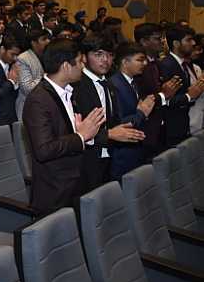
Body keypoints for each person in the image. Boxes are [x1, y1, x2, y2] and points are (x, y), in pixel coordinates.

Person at [22, 38, 105, 215]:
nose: (83, 66)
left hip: (75, 182)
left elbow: (67, 135)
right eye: (80, 62)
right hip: (56, 191)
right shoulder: (38, 100)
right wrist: (80, 136)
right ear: (66, 66)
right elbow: (44, 150)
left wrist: (85, 134)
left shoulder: (68, 91)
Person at [72, 34, 145, 193]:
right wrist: (109, 134)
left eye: (110, 55)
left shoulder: (108, 84)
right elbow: (74, 132)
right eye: (98, 54)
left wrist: (127, 127)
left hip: (108, 157)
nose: (105, 60)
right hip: (85, 161)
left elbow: (113, 122)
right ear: (84, 57)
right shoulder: (76, 87)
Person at [133, 23, 181, 160]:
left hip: (161, 128)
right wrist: (163, 95)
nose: (162, 41)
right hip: (145, 131)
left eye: (162, 38)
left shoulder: (157, 63)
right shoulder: (138, 68)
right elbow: (142, 99)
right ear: (144, 41)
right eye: (157, 38)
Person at [109, 42, 156, 180]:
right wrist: (142, 113)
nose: (145, 63)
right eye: (140, 60)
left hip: (135, 148)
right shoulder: (115, 85)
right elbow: (119, 123)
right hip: (122, 154)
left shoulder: (133, 81)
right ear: (125, 62)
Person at [159, 25, 204, 147]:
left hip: (184, 125)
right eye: (188, 40)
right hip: (171, 129)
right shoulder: (167, 65)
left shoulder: (185, 64)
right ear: (176, 43)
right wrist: (189, 96)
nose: (193, 43)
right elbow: (165, 101)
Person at [15, 29, 50, 120]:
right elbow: (27, 88)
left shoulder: (48, 55)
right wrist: (46, 77)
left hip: (46, 106)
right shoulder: (23, 59)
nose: (48, 41)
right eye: (44, 39)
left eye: (48, 38)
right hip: (29, 109)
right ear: (33, 43)